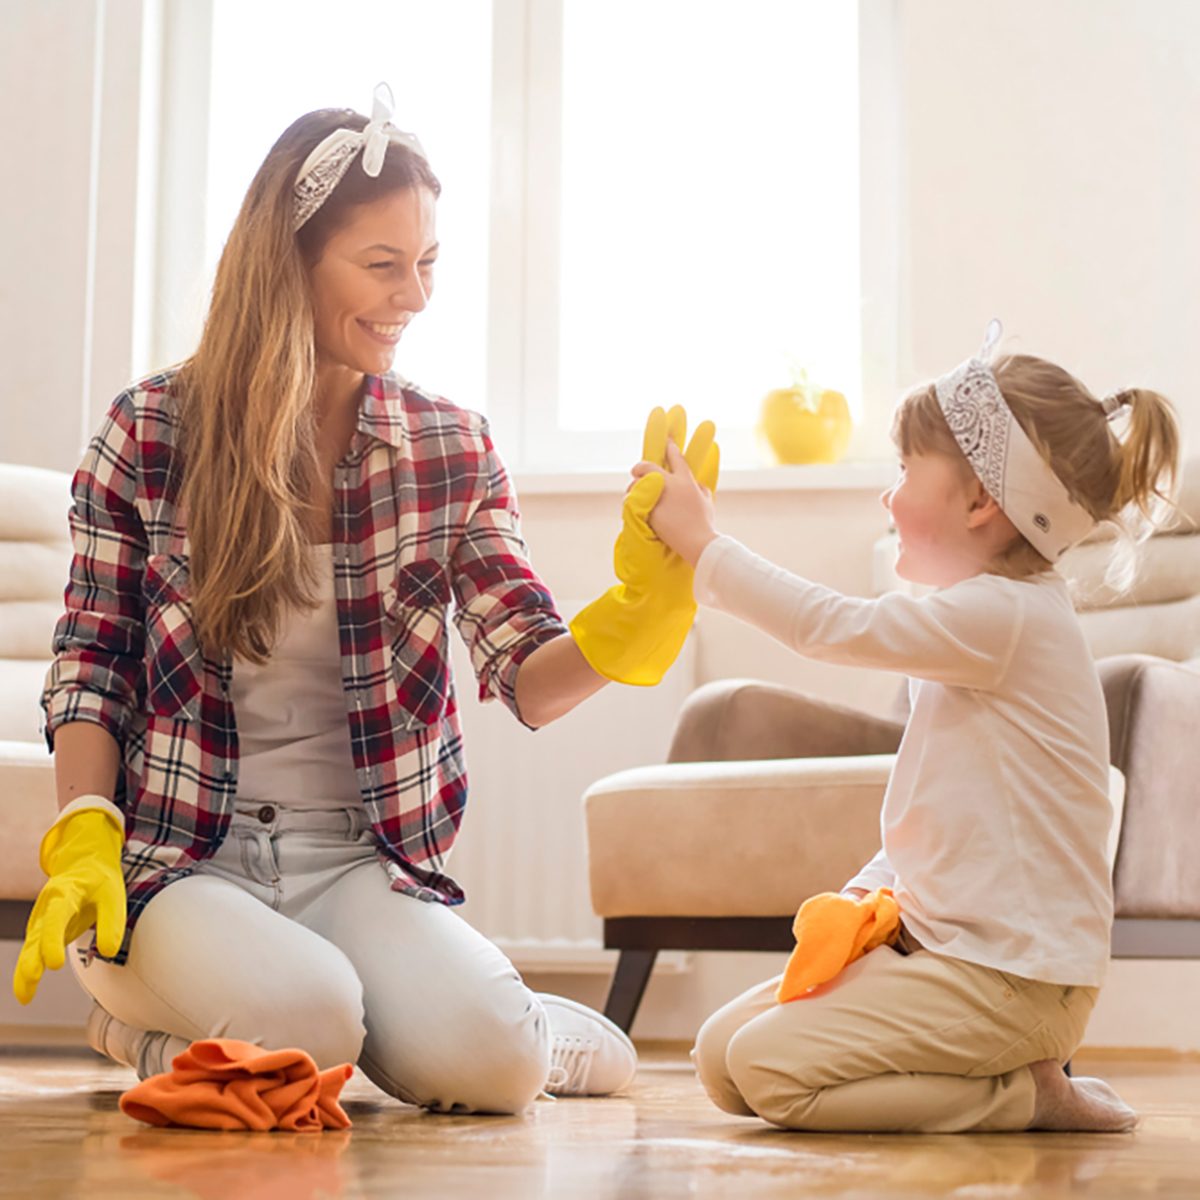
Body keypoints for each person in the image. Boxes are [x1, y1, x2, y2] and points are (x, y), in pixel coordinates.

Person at [13, 86, 716, 1115]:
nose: (415, 296)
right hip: (185, 856)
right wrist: (83, 827)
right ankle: (139, 1025)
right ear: (287, 259)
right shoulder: (152, 429)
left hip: (356, 861)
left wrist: (642, 607)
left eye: (427, 263)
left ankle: (495, 1034)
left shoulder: (448, 445)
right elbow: (90, 662)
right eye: (383, 266)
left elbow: (527, 671)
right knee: (311, 1021)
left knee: (496, 1071)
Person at [634, 320, 1179, 1134]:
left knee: (766, 1071)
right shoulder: (978, 629)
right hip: (944, 954)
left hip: (1013, 979)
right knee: (721, 1056)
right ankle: (998, 1078)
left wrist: (706, 547)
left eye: (902, 470)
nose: (887, 497)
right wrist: (868, 896)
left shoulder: (1008, 616)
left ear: (981, 501)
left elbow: (833, 625)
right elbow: (946, 807)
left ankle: (1022, 1095)